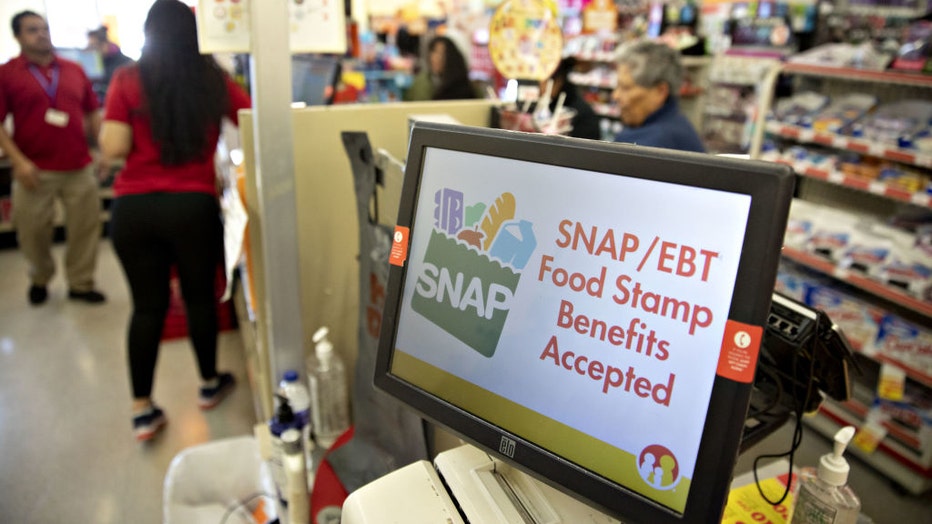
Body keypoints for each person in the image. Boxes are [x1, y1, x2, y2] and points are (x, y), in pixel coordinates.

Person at [99, 0, 251, 441]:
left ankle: (142, 409)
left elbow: (114, 148)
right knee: (199, 298)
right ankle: (208, 384)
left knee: (148, 307)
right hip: (193, 206)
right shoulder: (212, 79)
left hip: (135, 210)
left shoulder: (127, 78)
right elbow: (251, 118)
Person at [0, 11, 107, 306]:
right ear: (19, 37)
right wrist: (18, 162)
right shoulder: (7, 73)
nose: (42, 34)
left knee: (85, 229)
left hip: (79, 165)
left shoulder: (73, 69)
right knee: (31, 233)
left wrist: (100, 149)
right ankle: (40, 277)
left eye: (45, 28)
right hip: (33, 170)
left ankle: (81, 283)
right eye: (33, 30)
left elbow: (91, 112)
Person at [611, 39, 705, 153]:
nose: (615, 96)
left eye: (626, 88)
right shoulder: (673, 126)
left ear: (660, 91)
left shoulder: (653, 146)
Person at [541, 57, 602, 140]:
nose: (541, 88)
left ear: (559, 81)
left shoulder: (580, 114)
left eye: (544, 82)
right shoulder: (548, 105)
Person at [403, 35, 478, 101]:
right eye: (433, 52)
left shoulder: (466, 86)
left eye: (442, 53)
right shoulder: (422, 82)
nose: (435, 58)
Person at [86, 25, 133, 104]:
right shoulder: (98, 62)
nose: (91, 50)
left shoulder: (126, 64)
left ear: (105, 44)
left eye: (93, 46)